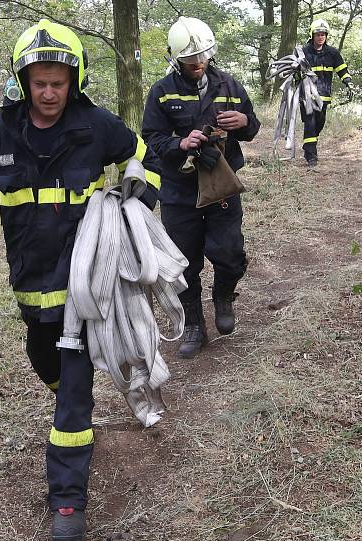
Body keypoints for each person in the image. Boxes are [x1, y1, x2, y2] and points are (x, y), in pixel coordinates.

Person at [0, 19, 161, 541]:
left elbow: (142, 154)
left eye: (57, 82)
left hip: (85, 288)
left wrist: (140, 189)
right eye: (38, 82)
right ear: (24, 82)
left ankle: (67, 500)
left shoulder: (94, 126)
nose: (48, 93)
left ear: (73, 79)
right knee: (45, 361)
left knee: (72, 397)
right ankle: (72, 391)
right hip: (29, 286)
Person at [141, 16, 260, 359]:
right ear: (175, 58)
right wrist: (180, 143)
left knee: (229, 250)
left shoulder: (230, 86)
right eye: (190, 61)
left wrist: (243, 123)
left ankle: (223, 295)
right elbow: (151, 139)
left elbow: (253, 127)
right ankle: (194, 324)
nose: (197, 65)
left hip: (222, 186)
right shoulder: (161, 93)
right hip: (180, 191)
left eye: (202, 59)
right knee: (183, 261)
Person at [300, 19, 352, 167]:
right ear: (312, 35)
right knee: (310, 123)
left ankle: (309, 144)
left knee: (320, 122)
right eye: (318, 34)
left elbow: (342, 69)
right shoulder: (303, 52)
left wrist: (347, 81)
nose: (320, 37)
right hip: (307, 96)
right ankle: (311, 157)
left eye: (323, 34)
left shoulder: (333, 53)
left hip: (324, 95)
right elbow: (295, 71)